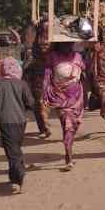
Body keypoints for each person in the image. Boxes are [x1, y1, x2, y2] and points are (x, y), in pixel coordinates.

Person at [0, 58, 34, 194]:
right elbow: (30, 102)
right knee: (15, 148)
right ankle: (15, 174)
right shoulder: (22, 84)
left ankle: (18, 178)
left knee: (12, 150)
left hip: (6, 121)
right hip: (21, 121)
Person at [43, 42, 85, 170]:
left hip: (77, 97)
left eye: (70, 44)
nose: (68, 47)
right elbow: (47, 77)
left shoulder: (78, 56)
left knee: (74, 125)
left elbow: (83, 70)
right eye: (64, 45)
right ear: (59, 45)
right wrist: (45, 95)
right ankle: (69, 158)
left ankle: (69, 150)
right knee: (67, 126)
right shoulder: (52, 57)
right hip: (61, 97)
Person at [23, 27, 52, 138]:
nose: (44, 47)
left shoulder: (53, 57)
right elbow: (26, 70)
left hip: (51, 83)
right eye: (42, 45)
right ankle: (44, 127)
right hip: (37, 83)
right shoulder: (33, 57)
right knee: (39, 105)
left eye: (46, 45)